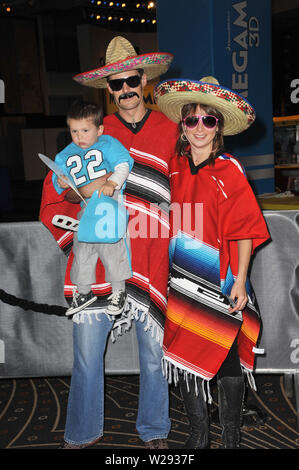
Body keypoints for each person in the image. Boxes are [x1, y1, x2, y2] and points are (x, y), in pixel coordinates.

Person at [39, 36, 178, 449]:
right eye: (115, 85)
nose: (125, 91)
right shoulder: (91, 135)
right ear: (108, 90)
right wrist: (77, 212)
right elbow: (53, 198)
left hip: (152, 258)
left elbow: (188, 193)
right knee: (85, 355)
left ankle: (155, 430)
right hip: (100, 262)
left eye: (132, 81)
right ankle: (81, 433)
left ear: (144, 80)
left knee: (153, 357)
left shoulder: (171, 131)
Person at [154, 76, 270, 449]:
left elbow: (246, 230)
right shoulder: (172, 165)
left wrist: (240, 280)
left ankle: (232, 439)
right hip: (182, 281)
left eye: (209, 120)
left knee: (226, 358)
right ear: (183, 126)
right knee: (186, 357)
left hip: (223, 278)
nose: (200, 128)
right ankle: (198, 437)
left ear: (218, 126)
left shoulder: (229, 169)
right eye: (192, 120)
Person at [52, 100, 133, 317]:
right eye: (74, 131)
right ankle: (84, 291)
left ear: (99, 129)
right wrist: (62, 181)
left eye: (85, 130)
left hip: (107, 201)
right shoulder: (67, 153)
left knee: (111, 246)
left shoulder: (107, 143)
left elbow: (124, 164)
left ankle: (119, 291)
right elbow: (59, 177)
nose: (79, 136)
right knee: (82, 248)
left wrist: (112, 183)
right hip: (85, 206)